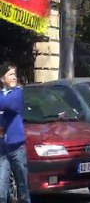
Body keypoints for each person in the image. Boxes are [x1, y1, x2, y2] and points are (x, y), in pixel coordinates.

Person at [0, 62, 31, 203]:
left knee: (22, 188)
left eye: (15, 74)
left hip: (17, 147)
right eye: (10, 74)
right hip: (2, 149)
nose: (14, 77)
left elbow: (11, 104)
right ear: (2, 78)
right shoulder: (3, 95)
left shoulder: (18, 92)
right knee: (1, 190)